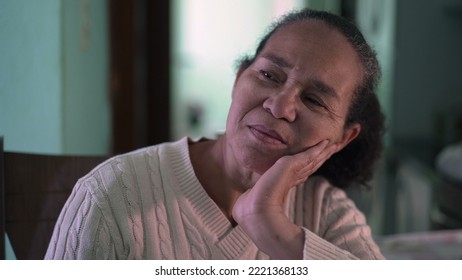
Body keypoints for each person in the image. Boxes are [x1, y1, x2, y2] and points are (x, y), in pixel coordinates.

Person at [45, 8, 385, 260]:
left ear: (342, 138)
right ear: (240, 78)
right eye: (269, 75)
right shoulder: (111, 194)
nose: (279, 106)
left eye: (313, 100)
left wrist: (270, 224)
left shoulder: (325, 211)